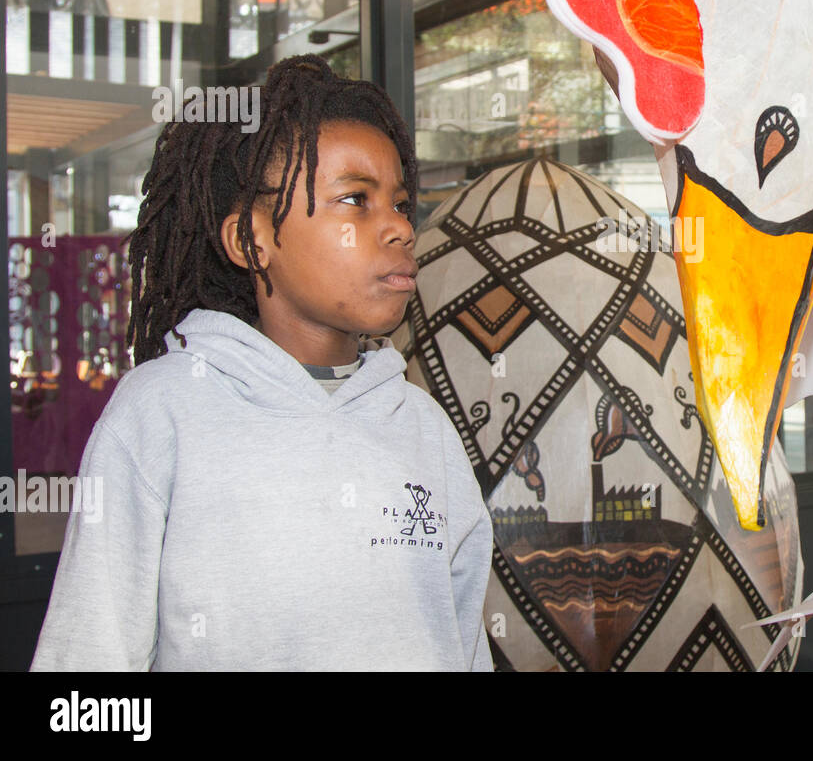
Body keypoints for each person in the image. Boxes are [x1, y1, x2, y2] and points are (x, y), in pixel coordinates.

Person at [31, 55, 493, 671]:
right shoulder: (162, 413)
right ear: (252, 240)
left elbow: (463, 648)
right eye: (355, 200)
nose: (399, 229)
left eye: (402, 205)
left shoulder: (424, 427)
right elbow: (86, 659)